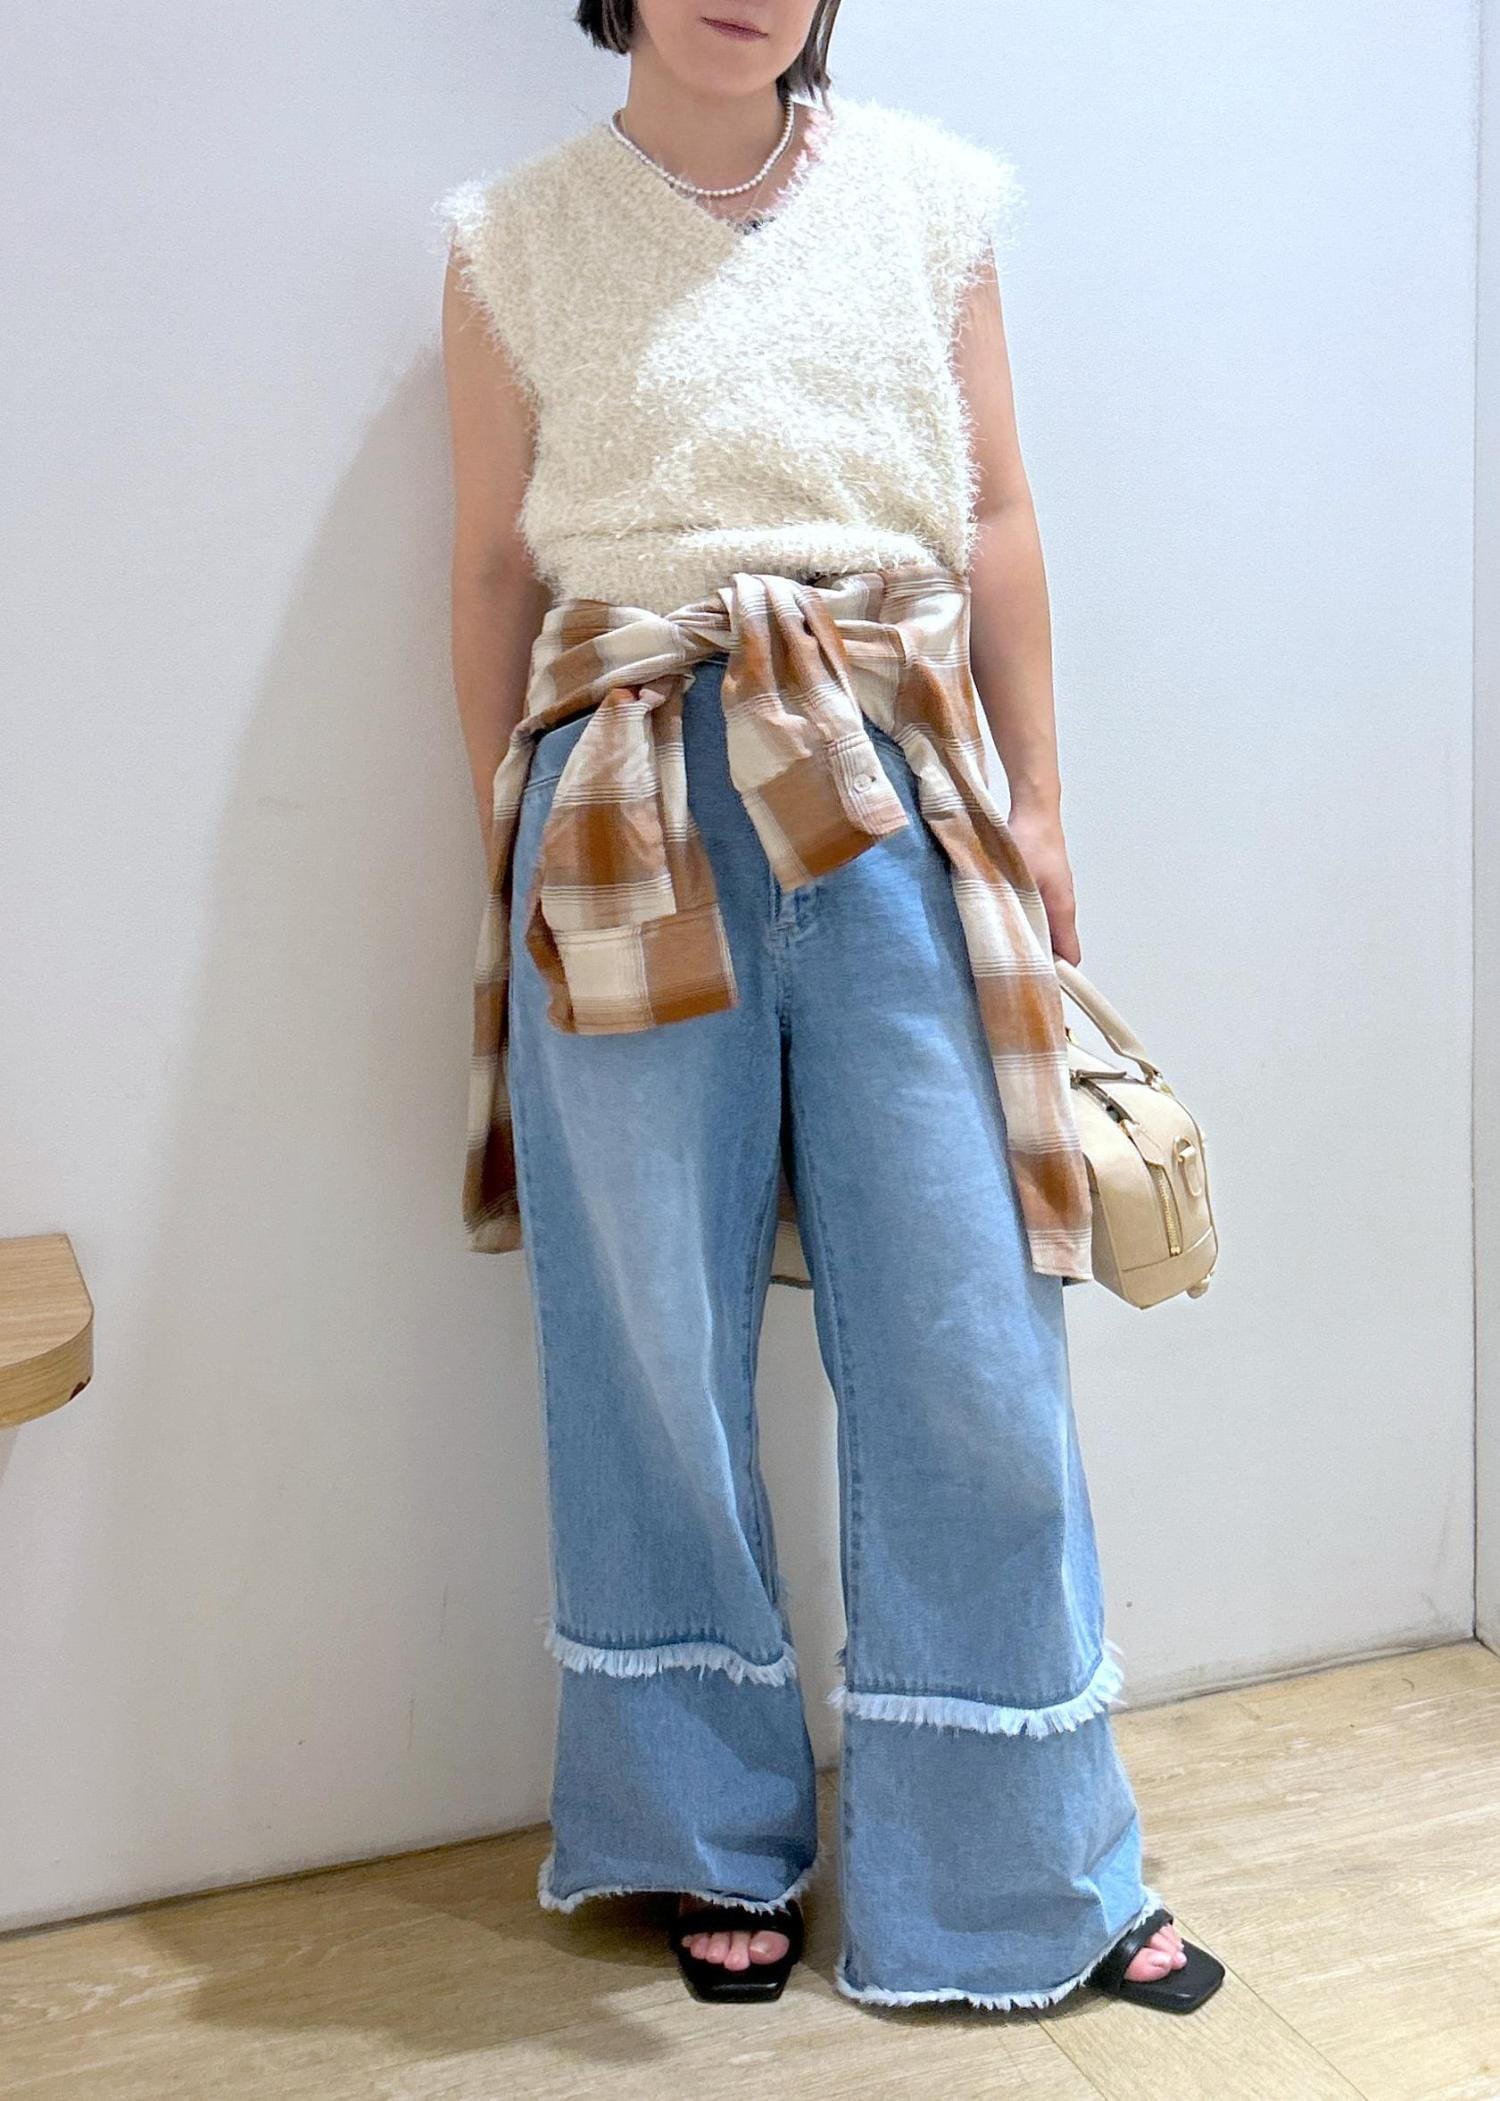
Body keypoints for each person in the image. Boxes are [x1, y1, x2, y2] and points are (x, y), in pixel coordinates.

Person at [435, 0, 1225, 2017]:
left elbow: (994, 515)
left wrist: (1043, 801)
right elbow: (491, 573)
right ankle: (701, 1830)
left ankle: (1025, 1850)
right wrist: (500, 830)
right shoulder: (507, 240)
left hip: (893, 784)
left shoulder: (936, 203)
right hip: (622, 794)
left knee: (972, 1318)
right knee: (646, 1329)